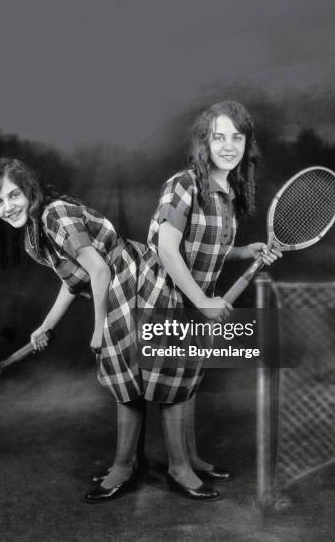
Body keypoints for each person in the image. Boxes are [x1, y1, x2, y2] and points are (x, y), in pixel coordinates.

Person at [0, 157, 145, 503]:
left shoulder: (55, 215)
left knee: (125, 378)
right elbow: (73, 282)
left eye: (14, 195)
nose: (8, 207)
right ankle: (131, 462)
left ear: (30, 191)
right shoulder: (33, 236)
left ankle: (124, 468)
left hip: (134, 282)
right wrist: (46, 325)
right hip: (114, 289)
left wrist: (99, 329)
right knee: (129, 379)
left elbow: (98, 271)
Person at [137, 100, 280, 500]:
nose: (229, 145)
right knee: (175, 385)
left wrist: (246, 251)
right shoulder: (184, 185)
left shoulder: (228, 194)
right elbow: (168, 250)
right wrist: (201, 299)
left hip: (198, 303)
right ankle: (178, 469)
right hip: (166, 299)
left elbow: (211, 250)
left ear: (246, 143)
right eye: (220, 136)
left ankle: (193, 457)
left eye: (238, 137)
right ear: (205, 142)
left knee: (190, 380)